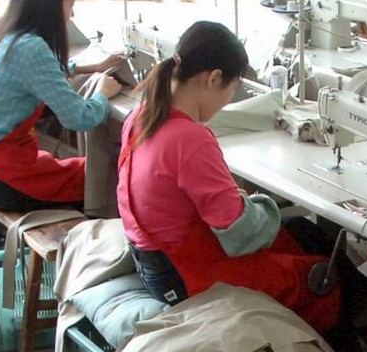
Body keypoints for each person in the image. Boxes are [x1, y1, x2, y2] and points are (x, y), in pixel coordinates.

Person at [117, 22, 341, 332]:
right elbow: (240, 232)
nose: (229, 99)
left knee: (302, 233)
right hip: (184, 276)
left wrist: (239, 203)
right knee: (318, 275)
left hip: (155, 263)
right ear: (213, 79)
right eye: (232, 88)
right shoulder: (189, 139)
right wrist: (258, 204)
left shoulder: (141, 116)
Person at [0, 0, 119, 211]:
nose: (71, 15)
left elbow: (36, 70)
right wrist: (103, 94)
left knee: (91, 171)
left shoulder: (0, 32)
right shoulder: (31, 49)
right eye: (70, 6)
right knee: (105, 178)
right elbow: (81, 118)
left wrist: (88, 67)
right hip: (3, 179)